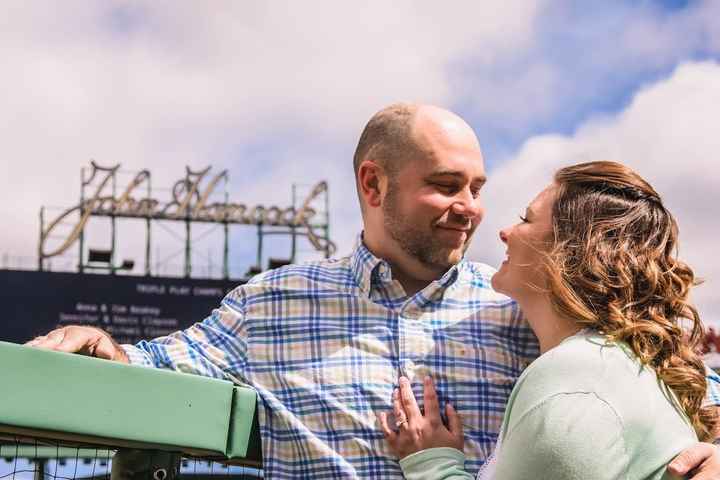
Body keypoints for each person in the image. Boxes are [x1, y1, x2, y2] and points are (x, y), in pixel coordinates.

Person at [28, 105, 720, 479]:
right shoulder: (269, 304)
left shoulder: (531, 311)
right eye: (446, 185)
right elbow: (156, 370)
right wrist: (104, 349)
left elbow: (680, 389)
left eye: (478, 188)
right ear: (372, 185)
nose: (472, 209)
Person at [381, 161, 718, 479]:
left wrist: (433, 464)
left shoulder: (574, 381)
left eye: (525, 220)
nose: (505, 231)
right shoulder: (627, 364)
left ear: (571, 250)